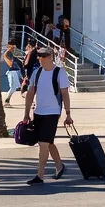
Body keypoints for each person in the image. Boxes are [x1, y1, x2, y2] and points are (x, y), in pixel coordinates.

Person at [21, 47, 72, 186]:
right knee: (48, 142)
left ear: (50, 56)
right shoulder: (37, 72)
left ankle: (40, 175)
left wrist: (68, 114)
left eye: (43, 56)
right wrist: (26, 113)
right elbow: (31, 93)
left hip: (53, 112)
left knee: (43, 143)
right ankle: (60, 166)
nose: (40, 58)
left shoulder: (59, 72)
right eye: (39, 56)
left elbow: (65, 94)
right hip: (38, 112)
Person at [2, 40, 23, 106]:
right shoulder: (8, 53)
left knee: (14, 87)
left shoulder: (11, 52)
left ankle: (7, 100)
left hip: (15, 71)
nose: (14, 47)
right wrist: (5, 56)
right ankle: (6, 101)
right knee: (13, 87)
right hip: (12, 71)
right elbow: (10, 64)